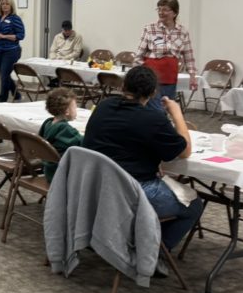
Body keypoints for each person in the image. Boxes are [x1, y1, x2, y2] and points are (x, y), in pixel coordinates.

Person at [82, 66, 202, 251]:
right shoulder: (152, 118)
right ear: (153, 92)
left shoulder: (104, 106)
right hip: (131, 193)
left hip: (94, 188)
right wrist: (177, 113)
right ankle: (154, 252)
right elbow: (185, 151)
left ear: (123, 86)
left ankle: (137, 239)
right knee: (193, 204)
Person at [133, 0, 198, 105]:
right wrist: (143, 72)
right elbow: (139, 55)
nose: (161, 12)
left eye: (165, 10)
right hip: (151, 78)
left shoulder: (182, 31)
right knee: (151, 107)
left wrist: (192, 76)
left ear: (175, 13)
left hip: (170, 77)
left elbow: (189, 57)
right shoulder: (150, 29)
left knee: (167, 107)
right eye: (159, 9)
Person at [39, 88, 83, 183]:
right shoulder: (64, 129)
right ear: (67, 111)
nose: (76, 110)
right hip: (61, 173)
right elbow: (83, 143)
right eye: (75, 107)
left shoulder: (48, 123)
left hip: (49, 169)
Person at [0, 0, 25, 102]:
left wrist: (4, 36)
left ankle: (2, 100)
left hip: (11, 51)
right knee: (4, 75)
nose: (4, 6)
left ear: (11, 6)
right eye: (3, 4)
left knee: (4, 76)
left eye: (7, 4)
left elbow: (21, 35)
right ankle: (17, 94)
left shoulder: (15, 18)